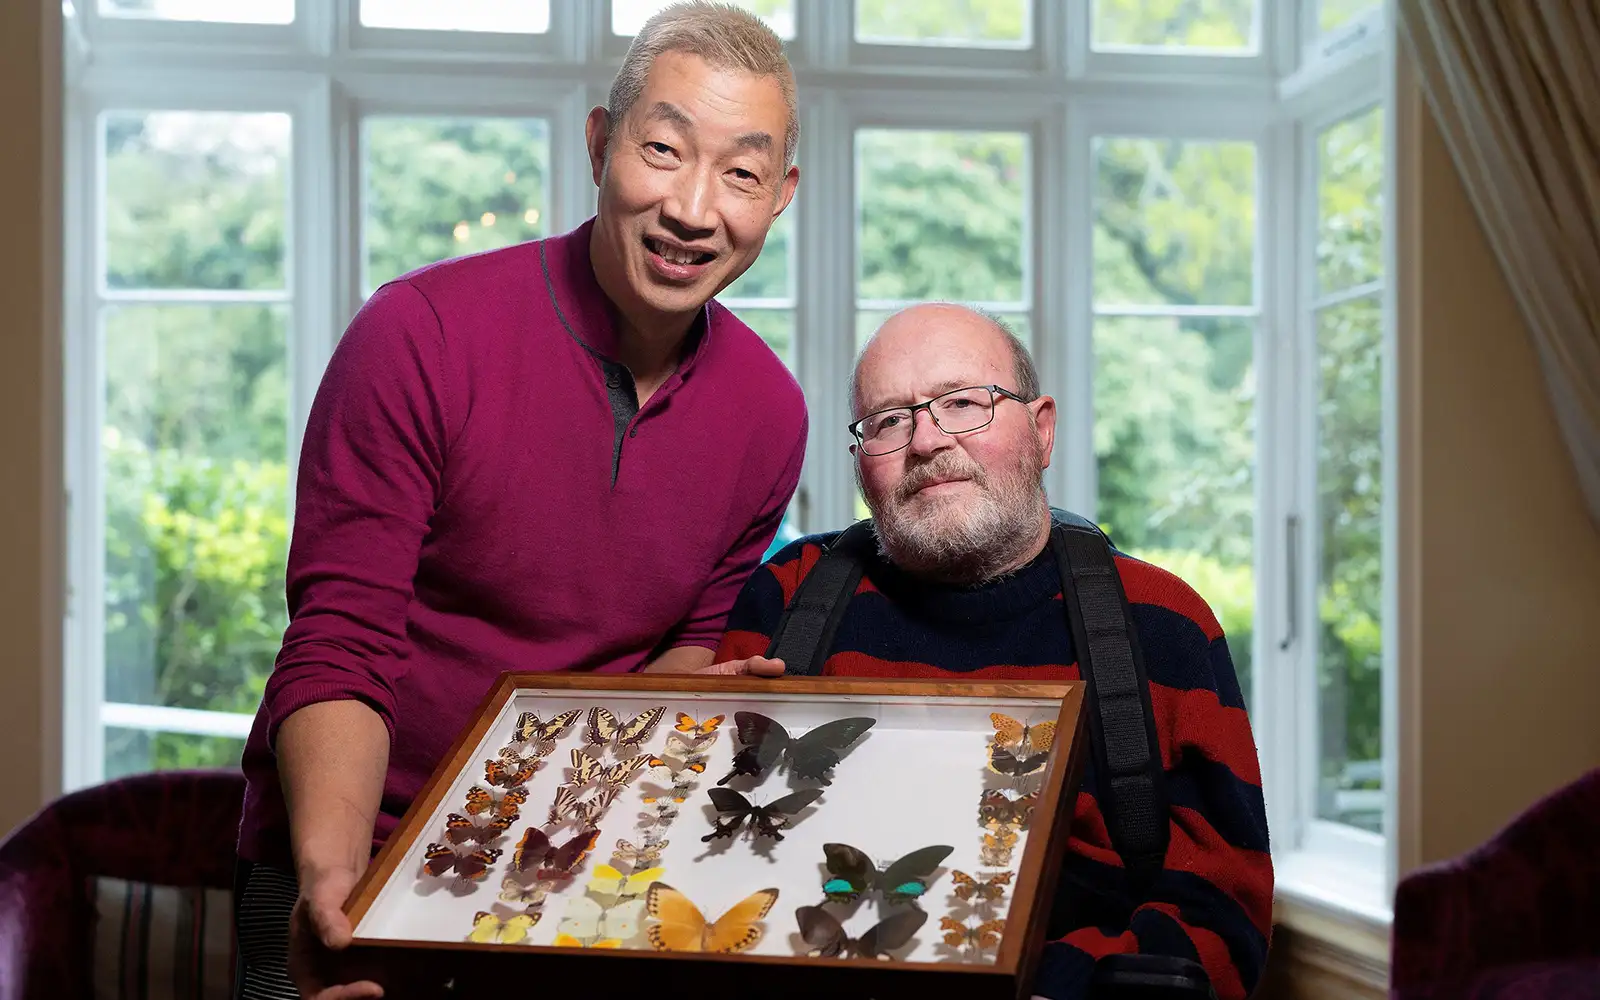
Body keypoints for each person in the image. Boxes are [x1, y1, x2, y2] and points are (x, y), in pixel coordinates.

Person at [232, 5, 806, 998]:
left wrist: (698, 703)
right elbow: (341, 636)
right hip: (350, 844)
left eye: (741, 173)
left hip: (564, 872)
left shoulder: (770, 413)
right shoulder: (417, 334)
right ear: (599, 143)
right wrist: (337, 879)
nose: (692, 208)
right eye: (663, 149)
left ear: (781, 196)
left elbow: (677, 650)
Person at [713, 303, 1273, 1000]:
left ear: (1042, 431)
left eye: (963, 403)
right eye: (888, 420)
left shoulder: (1161, 624)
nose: (926, 441)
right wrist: (707, 746)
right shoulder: (787, 597)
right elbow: (711, 861)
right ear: (860, 463)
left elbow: (1222, 914)